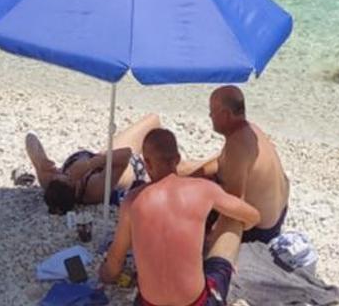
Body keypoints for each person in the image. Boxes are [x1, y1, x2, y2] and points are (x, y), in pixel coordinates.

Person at [100, 127, 259, 306]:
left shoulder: (132, 201)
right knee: (233, 219)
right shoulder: (203, 190)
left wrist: (104, 274)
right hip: (198, 303)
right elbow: (253, 216)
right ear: (177, 159)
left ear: (147, 163)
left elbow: (115, 262)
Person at [178, 85, 290, 246]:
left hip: (261, 230)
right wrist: (192, 172)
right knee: (201, 179)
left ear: (225, 114)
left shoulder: (236, 147)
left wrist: (210, 236)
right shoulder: (251, 130)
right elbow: (222, 161)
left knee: (192, 207)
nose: (210, 115)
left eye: (212, 111)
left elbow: (234, 204)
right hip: (279, 213)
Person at [25, 112, 162, 214]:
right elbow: (126, 154)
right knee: (153, 119)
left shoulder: (52, 184)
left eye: (60, 174)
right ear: (75, 188)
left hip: (107, 156)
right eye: (67, 176)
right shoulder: (94, 189)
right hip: (132, 165)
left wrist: (40, 160)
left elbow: (30, 137)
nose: (62, 172)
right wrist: (88, 165)